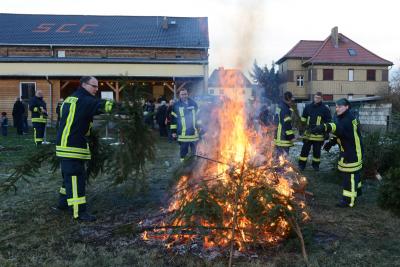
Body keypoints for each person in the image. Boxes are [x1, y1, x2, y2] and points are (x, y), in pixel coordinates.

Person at [55, 76, 113, 221]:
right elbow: (104, 106)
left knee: (67, 177)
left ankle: (63, 204)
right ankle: (79, 212)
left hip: (63, 145)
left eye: (97, 87)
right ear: (84, 85)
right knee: (75, 178)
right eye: (94, 86)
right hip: (74, 147)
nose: (96, 89)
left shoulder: (70, 99)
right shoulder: (85, 101)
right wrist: (129, 108)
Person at [311, 98, 363, 208]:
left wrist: (323, 127)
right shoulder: (346, 117)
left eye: (339, 106)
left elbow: (337, 128)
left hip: (352, 152)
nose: (337, 108)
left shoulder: (347, 119)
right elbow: (342, 134)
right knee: (354, 175)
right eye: (336, 106)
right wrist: (331, 142)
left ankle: (348, 200)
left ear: (347, 107)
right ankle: (357, 192)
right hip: (351, 150)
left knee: (350, 177)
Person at [298, 92, 332, 171]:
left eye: (319, 98)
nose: (317, 99)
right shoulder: (308, 107)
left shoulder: (325, 109)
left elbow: (328, 122)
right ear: (313, 98)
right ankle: (301, 165)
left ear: (321, 99)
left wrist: (326, 133)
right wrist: (301, 129)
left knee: (317, 152)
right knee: (304, 150)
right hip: (308, 133)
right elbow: (303, 119)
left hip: (319, 135)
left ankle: (315, 166)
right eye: (316, 97)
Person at [170, 89, 201, 162]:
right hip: (182, 134)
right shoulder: (176, 105)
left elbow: (198, 117)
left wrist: (200, 127)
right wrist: (173, 132)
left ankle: (194, 165)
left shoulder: (194, 104)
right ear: (179, 95)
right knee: (183, 151)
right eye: (182, 94)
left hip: (194, 133)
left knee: (195, 151)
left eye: (185, 94)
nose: (184, 96)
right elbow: (173, 120)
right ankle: (183, 166)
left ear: (188, 94)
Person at [273, 91, 295, 159]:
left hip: (277, 134)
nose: (292, 102)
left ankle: (277, 167)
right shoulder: (285, 109)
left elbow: (276, 120)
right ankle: (282, 168)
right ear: (289, 99)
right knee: (283, 156)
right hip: (283, 135)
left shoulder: (280, 106)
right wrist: (291, 136)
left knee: (278, 155)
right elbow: (287, 123)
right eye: (292, 100)